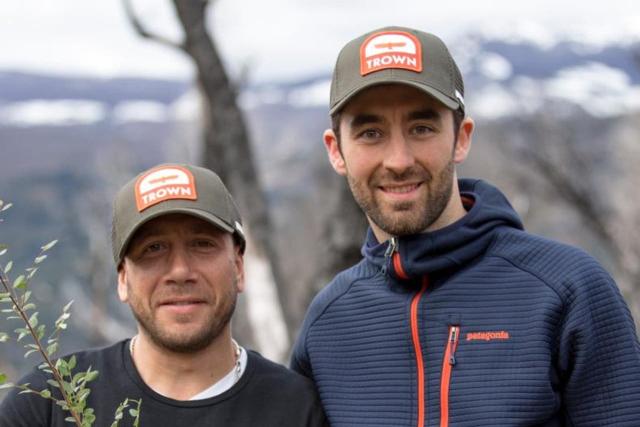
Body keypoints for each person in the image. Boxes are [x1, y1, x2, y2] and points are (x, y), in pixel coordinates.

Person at [291, 26, 640, 426]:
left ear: (461, 138)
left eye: (422, 128)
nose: (399, 160)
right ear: (336, 151)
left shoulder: (567, 290)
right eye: (371, 134)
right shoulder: (328, 324)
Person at [1, 163, 326, 427]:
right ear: (123, 279)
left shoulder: (297, 409)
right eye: (153, 249)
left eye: (202, 244)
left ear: (239, 267)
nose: (180, 271)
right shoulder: (50, 402)